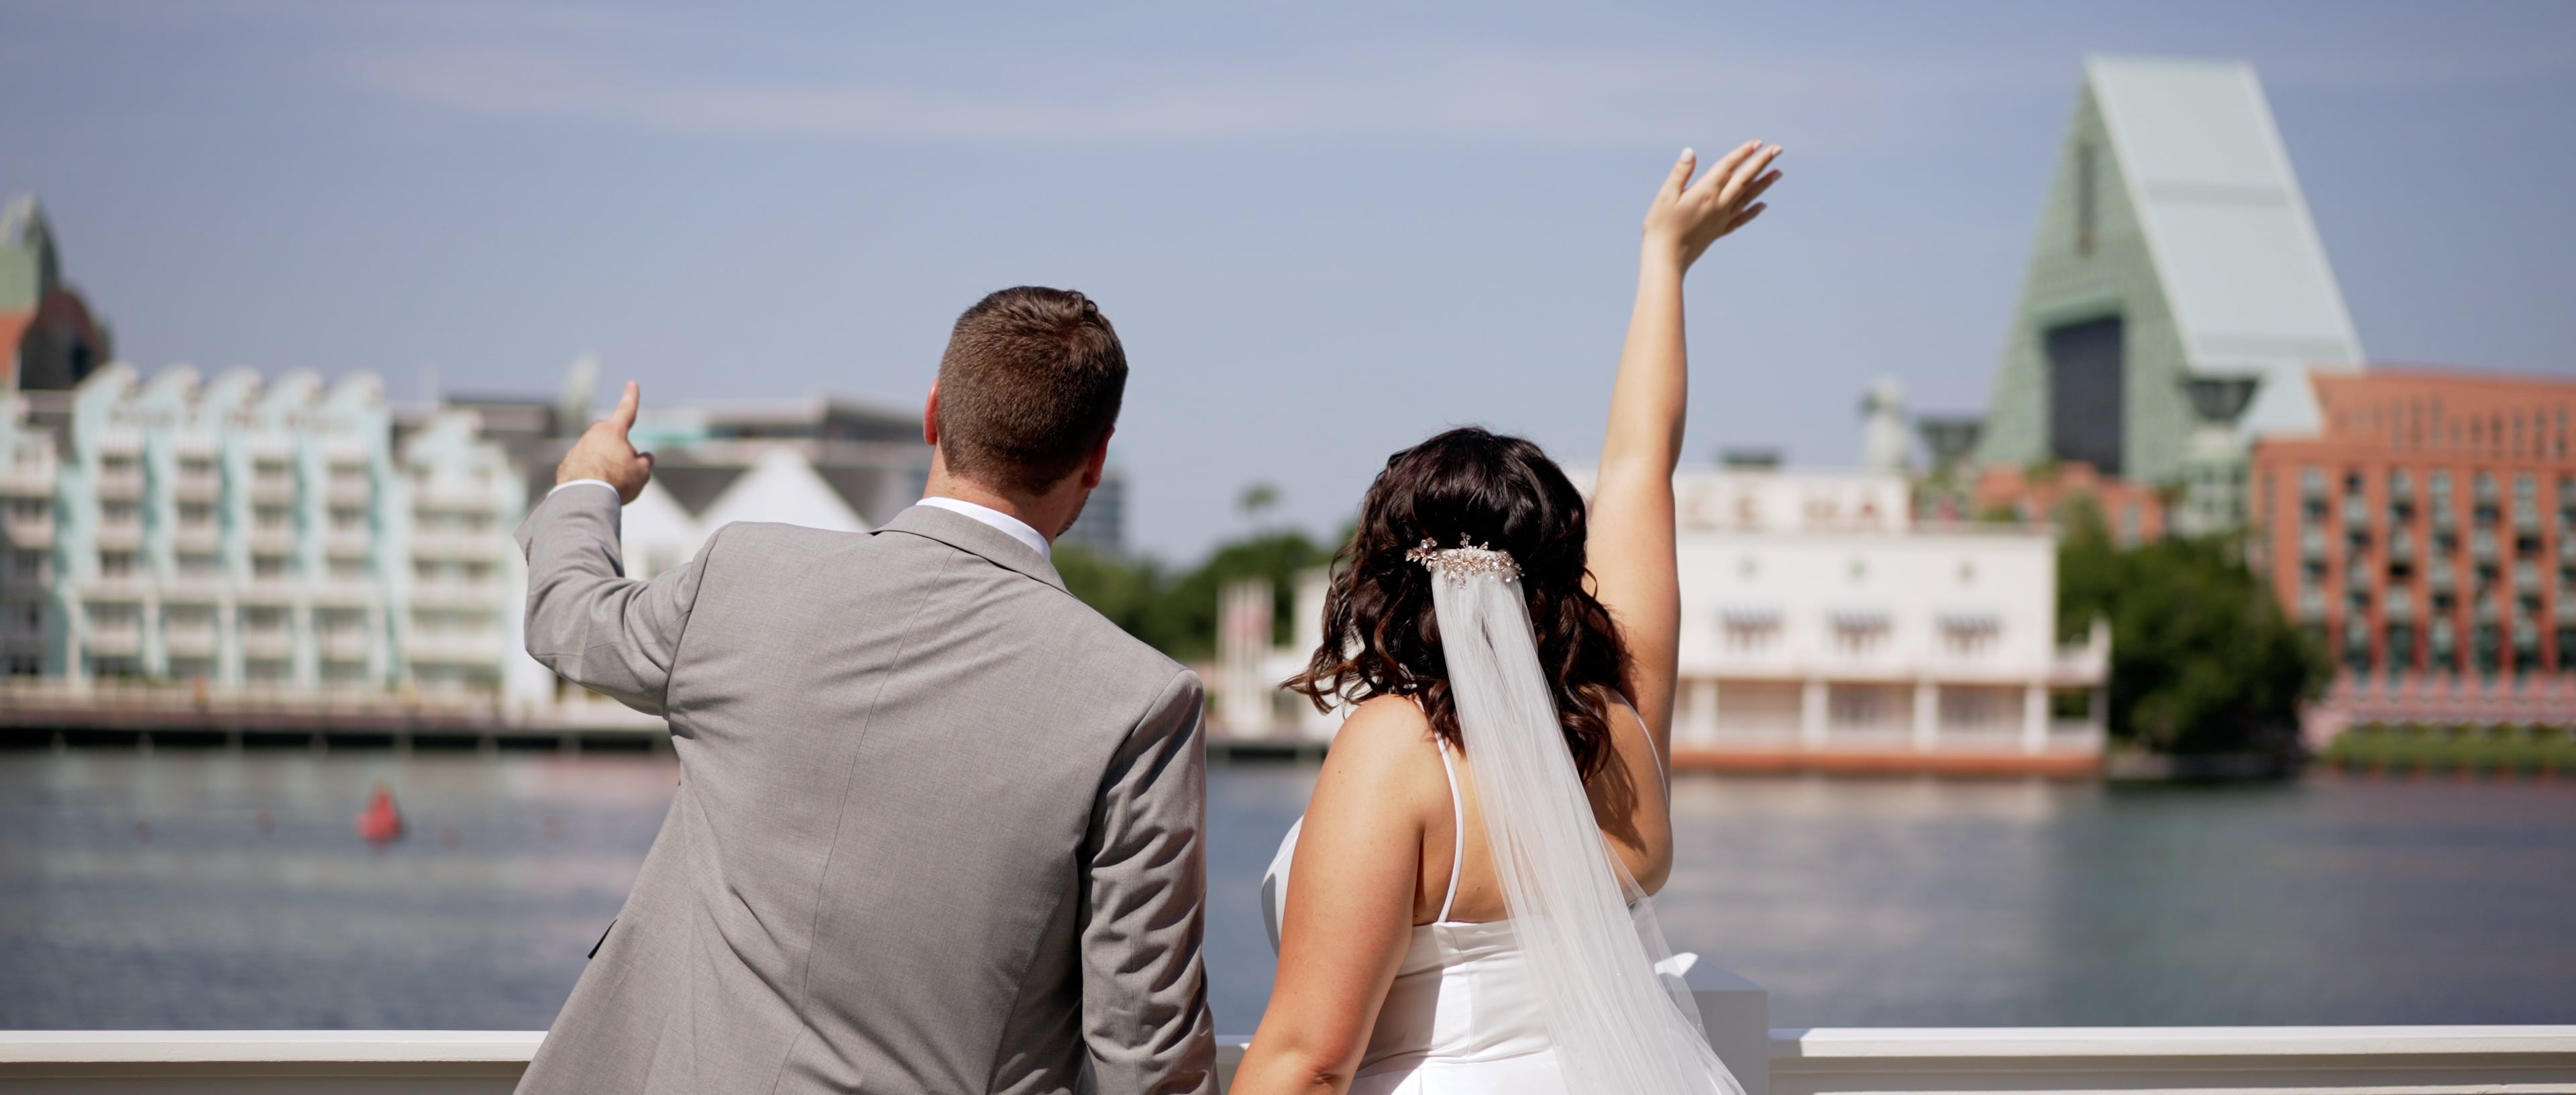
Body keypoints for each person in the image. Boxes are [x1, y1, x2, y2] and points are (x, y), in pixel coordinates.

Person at [513, 287, 1215, 1095]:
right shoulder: (1139, 700)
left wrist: (588, 483)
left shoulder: (744, 576)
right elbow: (1147, 1050)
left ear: (933, 414)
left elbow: (568, 617)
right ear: (1096, 459)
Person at [1230, 141, 1783, 1095]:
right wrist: (1665, 260)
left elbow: (1309, 1062)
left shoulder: (1394, 751)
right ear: (1562, 574)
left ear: (1386, 576)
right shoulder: (1619, 725)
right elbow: (1642, 463)